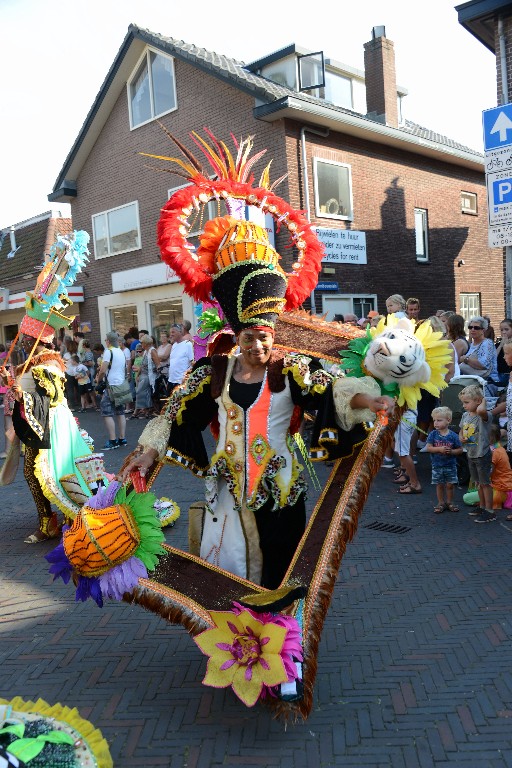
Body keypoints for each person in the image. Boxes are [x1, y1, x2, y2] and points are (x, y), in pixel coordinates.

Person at [122, 210, 395, 589]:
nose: (257, 345)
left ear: (273, 336)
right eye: (248, 337)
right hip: (227, 494)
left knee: (278, 569)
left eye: (263, 336)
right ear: (237, 338)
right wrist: (150, 452)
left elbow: (330, 393)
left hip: (281, 494)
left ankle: (275, 639)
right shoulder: (212, 373)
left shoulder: (292, 369)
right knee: (229, 570)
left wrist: (371, 401)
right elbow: (175, 416)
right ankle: (236, 639)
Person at [0, 230, 97, 542]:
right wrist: (13, 386)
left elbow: (49, 399)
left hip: (50, 428)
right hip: (36, 426)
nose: (24, 340)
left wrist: (19, 393)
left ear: (35, 339)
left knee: (39, 473)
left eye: (27, 337)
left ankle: (50, 523)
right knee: (37, 474)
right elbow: (27, 393)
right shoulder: (30, 361)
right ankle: (50, 518)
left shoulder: (49, 363)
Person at [459, 384, 494, 523]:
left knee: (485, 483)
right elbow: (461, 430)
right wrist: (460, 437)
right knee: (478, 482)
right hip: (471, 453)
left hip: (482, 454)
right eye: (463, 402)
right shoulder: (465, 415)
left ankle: (490, 511)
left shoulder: (484, 415)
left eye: (467, 402)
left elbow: (481, 410)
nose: (464, 405)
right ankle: (482, 506)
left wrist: (483, 401)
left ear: (479, 401)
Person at [426, 406, 463, 513]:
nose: (436, 423)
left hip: (450, 465)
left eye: (439, 420)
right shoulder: (433, 434)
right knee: (439, 484)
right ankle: (441, 502)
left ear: (448, 420)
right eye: (434, 420)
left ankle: (450, 502)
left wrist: (451, 452)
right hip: (437, 465)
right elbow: (428, 448)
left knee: (450, 485)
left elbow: (460, 450)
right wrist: (439, 449)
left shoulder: (453, 436)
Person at [95, 331, 127, 449]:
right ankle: (122, 438)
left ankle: (112, 440)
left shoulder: (109, 352)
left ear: (108, 341)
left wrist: (98, 381)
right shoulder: (121, 351)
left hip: (111, 385)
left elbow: (103, 370)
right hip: (121, 384)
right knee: (120, 411)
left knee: (106, 411)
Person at [459, 316, 498, 380]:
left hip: (488, 382)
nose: (472, 330)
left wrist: (466, 359)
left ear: (483, 330)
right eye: (470, 327)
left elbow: (484, 364)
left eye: (476, 328)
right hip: (473, 380)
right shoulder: (471, 344)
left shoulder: (487, 343)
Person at [134, 334, 159, 418]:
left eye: (142, 343)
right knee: (143, 391)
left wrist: (156, 371)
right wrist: (137, 375)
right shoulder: (145, 352)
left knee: (140, 391)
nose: (141, 345)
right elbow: (141, 365)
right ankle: (146, 410)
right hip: (144, 374)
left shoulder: (152, 351)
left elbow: (158, 364)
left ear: (146, 343)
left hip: (150, 375)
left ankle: (142, 409)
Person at [488, 424, 512, 512]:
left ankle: (504, 498)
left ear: (491, 438)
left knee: (467, 498)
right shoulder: (499, 448)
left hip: (500, 488)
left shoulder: (494, 452)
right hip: (505, 485)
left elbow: (488, 472)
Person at [167, 323, 194, 395]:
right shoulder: (174, 345)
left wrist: (185, 378)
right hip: (171, 380)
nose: (171, 334)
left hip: (181, 381)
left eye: (173, 332)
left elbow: (192, 363)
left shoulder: (188, 344)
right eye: (170, 332)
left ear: (180, 332)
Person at [494, 318, 512, 386]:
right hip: (500, 374)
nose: (504, 332)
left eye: (506, 329)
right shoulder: (498, 345)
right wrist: (501, 344)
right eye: (501, 330)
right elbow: (493, 357)